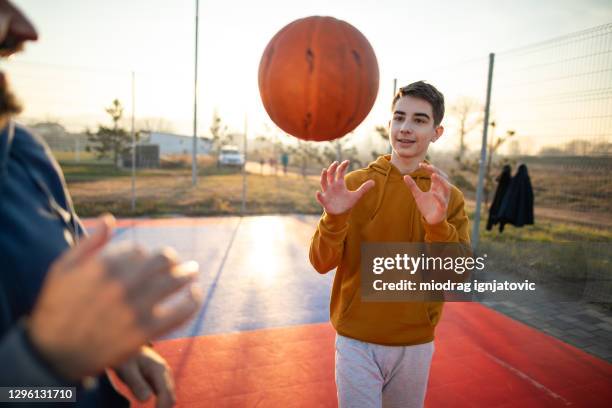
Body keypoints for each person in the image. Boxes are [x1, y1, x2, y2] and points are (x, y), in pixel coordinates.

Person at [0, 1, 201, 406]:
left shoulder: (23, 151)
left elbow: (359, 271)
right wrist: (43, 364)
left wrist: (121, 346)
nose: (24, 29)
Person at [309, 81, 470, 407]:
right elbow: (320, 262)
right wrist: (334, 219)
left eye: (419, 120)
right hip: (356, 340)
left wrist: (437, 225)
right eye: (399, 118)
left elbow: (456, 278)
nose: (406, 128)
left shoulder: (446, 196)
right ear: (389, 125)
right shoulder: (354, 186)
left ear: (436, 132)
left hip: (415, 343)